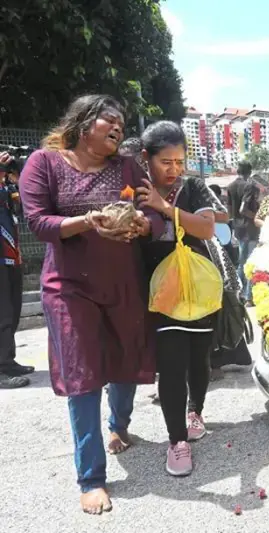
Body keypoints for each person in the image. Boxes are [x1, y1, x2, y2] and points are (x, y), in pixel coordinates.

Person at [19, 94, 163, 514]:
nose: (118, 127)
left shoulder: (127, 167)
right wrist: (87, 221)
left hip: (123, 285)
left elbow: (152, 215)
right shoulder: (44, 163)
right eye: (109, 120)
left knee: (123, 363)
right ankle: (91, 476)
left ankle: (118, 425)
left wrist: (142, 224)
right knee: (82, 374)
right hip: (68, 287)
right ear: (84, 124)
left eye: (121, 122)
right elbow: (37, 222)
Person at [135, 121, 220, 477]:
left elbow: (206, 228)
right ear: (146, 158)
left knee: (199, 357)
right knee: (170, 365)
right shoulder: (133, 188)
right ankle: (176, 442)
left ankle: (195, 410)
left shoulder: (194, 187)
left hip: (198, 286)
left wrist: (164, 208)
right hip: (160, 290)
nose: (174, 169)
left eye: (179, 161)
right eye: (166, 161)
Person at [0, 152, 34, 389]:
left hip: (11, 256)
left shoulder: (8, 187)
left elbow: (22, 209)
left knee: (11, 312)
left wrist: (17, 174)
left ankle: (7, 360)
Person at [227, 161, 260, 305]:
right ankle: (248, 297)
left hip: (238, 228)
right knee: (251, 262)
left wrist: (233, 226)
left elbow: (230, 211)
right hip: (250, 229)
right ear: (250, 171)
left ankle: (237, 293)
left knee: (241, 263)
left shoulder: (230, 187)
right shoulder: (250, 186)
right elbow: (243, 209)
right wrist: (258, 217)